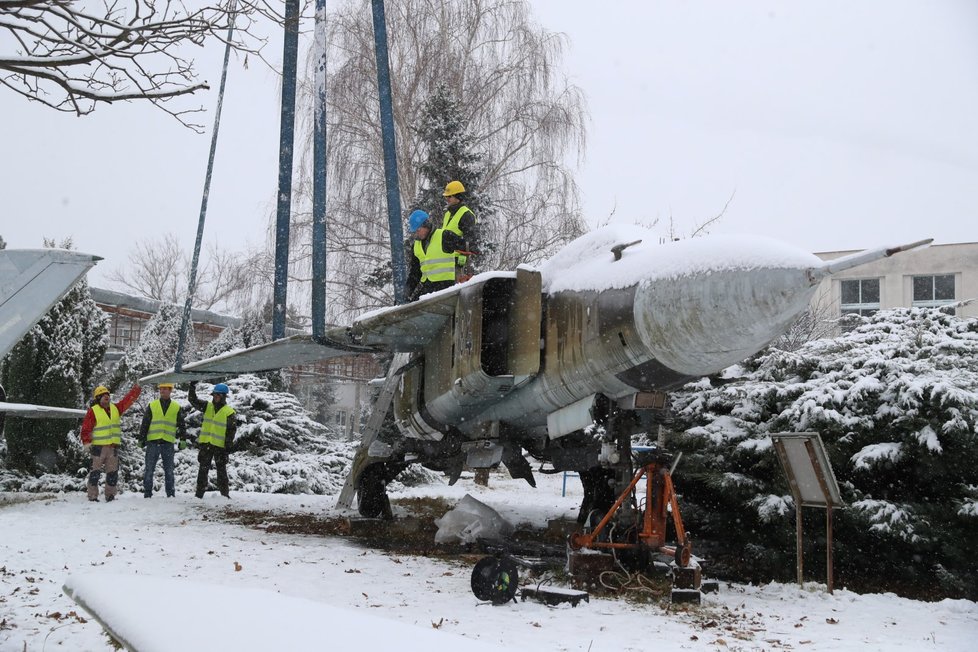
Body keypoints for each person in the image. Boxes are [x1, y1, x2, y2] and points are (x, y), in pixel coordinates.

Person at [80, 383, 142, 502]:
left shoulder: (116, 408)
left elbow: (128, 400)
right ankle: (92, 496)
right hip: (98, 448)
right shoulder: (93, 411)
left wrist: (137, 389)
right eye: (103, 395)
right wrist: (86, 442)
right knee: (95, 473)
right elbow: (86, 428)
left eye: (107, 395)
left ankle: (110, 496)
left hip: (113, 447)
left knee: (112, 473)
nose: (106, 397)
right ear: (98, 398)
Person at [137, 382, 188, 498]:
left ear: (170, 390)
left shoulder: (176, 407)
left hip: (168, 443)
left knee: (169, 471)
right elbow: (145, 423)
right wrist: (141, 438)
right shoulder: (152, 405)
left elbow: (182, 425)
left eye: (165, 389)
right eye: (161, 389)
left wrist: (183, 439)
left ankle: (170, 494)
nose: (163, 391)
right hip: (153, 442)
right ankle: (147, 494)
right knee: (149, 470)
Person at [187, 381, 237, 499]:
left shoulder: (229, 412)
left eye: (218, 395)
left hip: (220, 447)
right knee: (202, 470)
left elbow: (231, 431)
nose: (215, 397)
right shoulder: (207, 406)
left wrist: (227, 447)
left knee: (221, 472)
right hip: (206, 444)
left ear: (224, 396)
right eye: (214, 395)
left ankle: (224, 495)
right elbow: (192, 400)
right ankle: (199, 494)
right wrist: (192, 386)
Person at [441, 180, 480, 281]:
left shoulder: (466, 215)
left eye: (449, 196)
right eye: (446, 196)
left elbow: (470, 243)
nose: (447, 199)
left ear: (458, 197)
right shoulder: (448, 214)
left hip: (458, 265)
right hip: (445, 262)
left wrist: (461, 260)